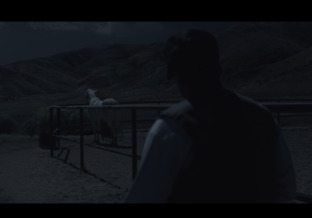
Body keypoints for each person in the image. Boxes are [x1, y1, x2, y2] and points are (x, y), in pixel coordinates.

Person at [124, 29, 296, 203]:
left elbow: (143, 197)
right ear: (217, 68)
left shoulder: (170, 128)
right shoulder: (262, 117)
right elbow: (286, 190)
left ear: (179, 77)